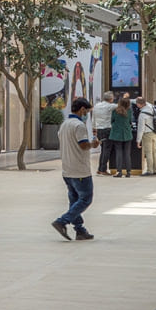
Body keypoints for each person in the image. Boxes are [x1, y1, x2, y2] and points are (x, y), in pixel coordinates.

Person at [51, 98, 100, 241]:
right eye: (87, 112)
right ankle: (62, 221)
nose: (87, 115)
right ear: (82, 110)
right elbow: (83, 145)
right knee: (85, 199)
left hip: (67, 169)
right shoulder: (79, 126)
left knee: (74, 200)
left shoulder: (64, 124)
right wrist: (94, 144)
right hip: (80, 170)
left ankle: (80, 230)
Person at [108, 95, 135, 177]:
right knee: (127, 153)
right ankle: (128, 172)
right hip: (127, 134)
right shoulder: (129, 111)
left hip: (117, 134)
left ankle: (119, 171)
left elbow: (112, 121)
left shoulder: (115, 111)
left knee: (118, 152)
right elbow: (131, 121)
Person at [91, 91, 117, 175]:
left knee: (103, 149)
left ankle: (100, 168)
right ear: (110, 99)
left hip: (99, 130)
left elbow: (93, 118)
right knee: (107, 150)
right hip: (107, 130)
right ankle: (103, 169)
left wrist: (94, 129)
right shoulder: (110, 106)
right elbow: (122, 105)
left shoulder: (96, 106)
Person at [136, 97, 156, 176]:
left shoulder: (142, 115)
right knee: (154, 152)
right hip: (155, 133)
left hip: (147, 134)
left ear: (139, 104)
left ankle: (150, 171)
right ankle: (155, 170)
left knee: (148, 153)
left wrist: (138, 140)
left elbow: (141, 129)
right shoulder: (151, 107)